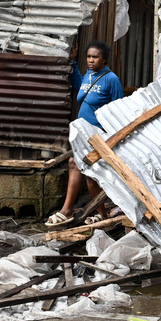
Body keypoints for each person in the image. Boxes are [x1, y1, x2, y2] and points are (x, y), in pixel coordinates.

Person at [46, 40, 123, 228]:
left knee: (78, 165)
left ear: (104, 59)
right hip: (82, 134)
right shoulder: (89, 75)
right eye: (89, 56)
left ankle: (67, 211)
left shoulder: (111, 79)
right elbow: (80, 87)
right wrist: (72, 62)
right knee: (87, 172)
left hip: (98, 134)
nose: (90, 60)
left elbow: (119, 108)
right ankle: (101, 214)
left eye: (95, 57)